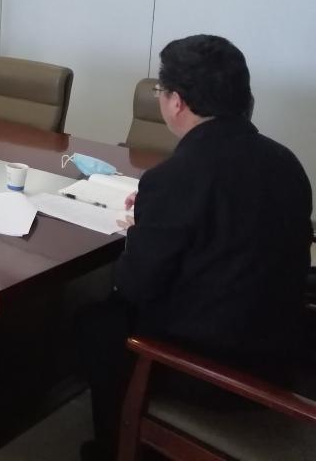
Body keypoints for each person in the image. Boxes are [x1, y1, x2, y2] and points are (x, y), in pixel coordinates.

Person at [79, 34, 313, 461]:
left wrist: (142, 230)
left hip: (213, 373)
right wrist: (159, 215)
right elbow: (236, 227)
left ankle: (117, 448)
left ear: (177, 102)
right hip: (282, 353)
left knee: (100, 326)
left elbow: (133, 285)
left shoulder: (175, 177)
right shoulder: (287, 163)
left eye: (161, 90)